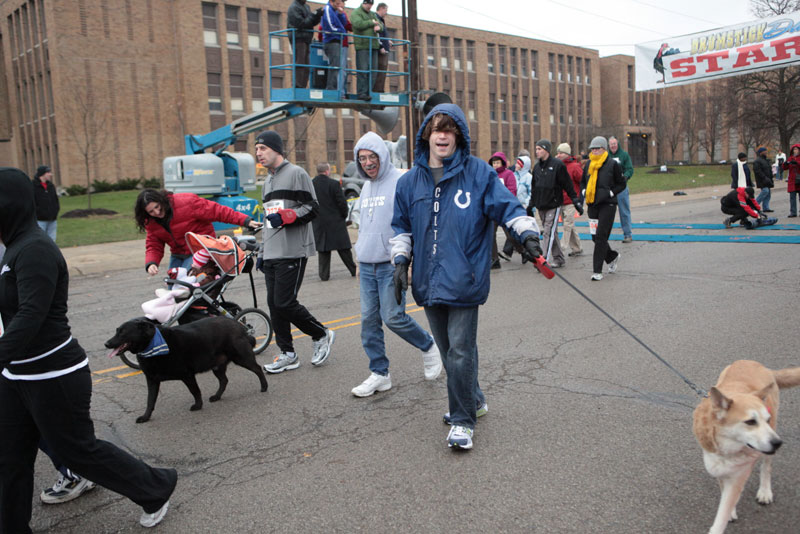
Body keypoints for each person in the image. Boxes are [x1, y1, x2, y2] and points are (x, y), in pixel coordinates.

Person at [0, 168, 178, 531]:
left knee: (76, 451)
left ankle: (155, 488)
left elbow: (31, 316)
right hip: (15, 374)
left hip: (54, 375)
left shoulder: (34, 249)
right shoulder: (13, 247)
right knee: (10, 458)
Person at [390, 104, 542, 450]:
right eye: (436, 129)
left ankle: (462, 421)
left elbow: (508, 207)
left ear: (458, 136)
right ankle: (473, 399)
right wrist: (400, 261)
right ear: (426, 135)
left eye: (450, 130)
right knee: (448, 351)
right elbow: (401, 226)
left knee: (459, 351)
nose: (442, 135)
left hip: (465, 279)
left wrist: (526, 234)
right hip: (428, 281)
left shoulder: (478, 174)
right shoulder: (410, 182)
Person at [350, 131, 442, 398]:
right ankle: (380, 374)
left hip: (392, 264)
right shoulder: (366, 186)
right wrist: (359, 259)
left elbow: (414, 223)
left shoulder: (402, 180)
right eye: (362, 158)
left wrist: (409, 261)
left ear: (382, 156)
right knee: (368, 322)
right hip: (367, 265)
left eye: (371, 157)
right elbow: (365, 226)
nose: (367, 163)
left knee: (393, 317)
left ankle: (427, 345)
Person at [254, 130, 336, 374]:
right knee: (274, 304)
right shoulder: (267, 182)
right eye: (256, 149)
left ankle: (321, 333)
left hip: (293, 251)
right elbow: (269, 220)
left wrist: (287, 216)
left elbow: (312, 208)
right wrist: (261, 251)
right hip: (272, 253)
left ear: (277, 149)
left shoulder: (297, 173)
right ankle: (288, 353)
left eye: (263, 148)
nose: (258, 153)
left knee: (285, 302)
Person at [135, 189, 261, 276]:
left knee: (189, 286)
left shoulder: (187, 202)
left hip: (200, 250)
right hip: (178, 254)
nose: (157, 213)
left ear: (162, 200)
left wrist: (245, 221)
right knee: (173, 288)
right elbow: (154, 244)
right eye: (151, 211)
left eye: (158, 207)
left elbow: (218, 211)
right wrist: (151, 263)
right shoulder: (150, 221)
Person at [530, 139, 583, 269]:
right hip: (541, 205)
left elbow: (567, 184)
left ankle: (543, 260)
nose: (537, 152)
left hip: (554, 204)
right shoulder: (536, 167)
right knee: (551, 232)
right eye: (536, 149)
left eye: (539, 149)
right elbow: (534, 187)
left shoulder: (558, 165)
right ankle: (559, 258)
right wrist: (531, 204)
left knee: (547, 232)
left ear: (547, 150)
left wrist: (576, 201)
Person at [580, 136, 626, 281]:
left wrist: (611, 193)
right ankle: (612, 257)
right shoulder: (588, 165)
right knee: (595, 237)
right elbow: (582, 182)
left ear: (604, 149)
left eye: (597, 148)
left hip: (608, 204)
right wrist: (583, 191)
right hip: (592, 204)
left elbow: (621, 183)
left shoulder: (613, 164)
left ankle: (597, 271)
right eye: (592, 149)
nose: (594, 151)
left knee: (601, 236)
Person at [311, 162, 357, 280]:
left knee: (323, 250)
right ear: (327, 171)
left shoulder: (312, 185)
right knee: (344, 250)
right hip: (335, 221)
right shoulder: (334, 184)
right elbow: (341, 202)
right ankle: (353, 270)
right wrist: (344, 216)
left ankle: (324, 275)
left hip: (320, 222)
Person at [488, 152, 518, 268]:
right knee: (491, 235)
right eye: (494, 163)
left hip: (505, 209)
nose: (495, 165)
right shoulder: (489, 174)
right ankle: (495, 259)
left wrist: (504, 201)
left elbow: (512, 190)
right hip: (492, 209)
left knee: (510, 235)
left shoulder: (508, 174)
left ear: (503, 163)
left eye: (497, 162)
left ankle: (523, 251)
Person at [500, 155, 532, 262]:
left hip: (524, 207)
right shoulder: (513, 175)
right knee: (513, 228)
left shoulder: (528, 177)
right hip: (514, 205)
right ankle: (514, 251)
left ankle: (523, 251)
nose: (516, 165)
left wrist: (527, 204)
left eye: (519, 164)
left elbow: (530, 192)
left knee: (521, 230)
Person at [288, 0, 324, 89]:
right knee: (300, 62)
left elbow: (310, 22)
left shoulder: (306, 7)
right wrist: (314, 15)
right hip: (298, 38)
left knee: (306, 65)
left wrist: (317, 16)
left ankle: (303, 85)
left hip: (307, 38)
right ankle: (297, 85)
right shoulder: (294, 7)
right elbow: (301, 23)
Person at [555, 143, 583, 257]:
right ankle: (577, 248)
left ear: (567, 154)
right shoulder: (558, 166)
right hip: (561, 200)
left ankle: (562, 247)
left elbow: (582, 180)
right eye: (558, 153)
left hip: (571, 201)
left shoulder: (575, 167)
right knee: (570, 225)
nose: (558, 155)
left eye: (561, 153)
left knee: (567, 224)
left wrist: (579, 197)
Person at [351, 0, 382, 100]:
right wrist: (371, 23)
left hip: (373, 45)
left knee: (373, 71)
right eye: (368, 4)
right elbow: (357, 24)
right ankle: (362, 93)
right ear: (364, 3)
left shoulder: (373, 14)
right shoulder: (356, 12)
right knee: (363, 70)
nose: (370, 6)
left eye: (371, 4)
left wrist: (379, 27)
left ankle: (369, 92)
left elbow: (381, 24)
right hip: (362, 46)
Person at [608, 136, 634, 243]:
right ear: (608, 146)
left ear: (617, 144)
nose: (613, 146)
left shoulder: (624, 155)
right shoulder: (606, 156)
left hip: (622, 188)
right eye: (611, 144)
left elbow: (630, 169)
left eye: (614, 144)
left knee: (624, 212)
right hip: (610, 188)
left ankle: (627, 234)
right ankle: (605, 235)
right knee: (607, 213)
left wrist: (625, 177)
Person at [322, 0, 348, 92]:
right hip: (331, 41)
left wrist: (341, 14)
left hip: (337, 41)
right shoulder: (328, 9)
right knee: (334, 66)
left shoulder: (334, 10)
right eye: (337, 3)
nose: (339, 4)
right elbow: (330, 26)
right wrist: (341, 32)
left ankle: (333, 88)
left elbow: (344, 23)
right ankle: (331, 88)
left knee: (336, 66)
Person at [32, 165, 59, 242]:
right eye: (48, 172)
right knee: (41, 240)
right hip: (40, 220)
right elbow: (31, 202)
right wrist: (38, 213)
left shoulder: (50, 186)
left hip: (52, 219)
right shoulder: (33, 186)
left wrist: (55, 211)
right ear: (42, 174)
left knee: (52, 241)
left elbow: (55, 200)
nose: (51, 174)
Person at [372, 2, 390, 94]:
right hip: (381, 50)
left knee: (382, 72)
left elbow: (382, 34)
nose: (386, 12)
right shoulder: (376, 19)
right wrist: (381, 46)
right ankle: (378, 90)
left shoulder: (381, 20)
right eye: (386, 10)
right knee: (380, 71)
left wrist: (388, 41)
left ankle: (380, 89)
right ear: (381, 9)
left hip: (385, 48)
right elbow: (377, 34)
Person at [753, 147, 774, 213]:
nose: (766, 152)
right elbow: (757, 171)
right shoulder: (757, 161)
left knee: (768, 194)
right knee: (765, 191)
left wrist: (771, 177)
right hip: (762, 180)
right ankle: (754, 205)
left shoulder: (766, 160)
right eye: (764, 151)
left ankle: (766, 207)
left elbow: (769, 170)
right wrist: (764, 177)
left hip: (768, 179)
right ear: (760, 152)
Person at [783, 144, 800, 218]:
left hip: (799, 180)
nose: (795, 151)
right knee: (792, 197)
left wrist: (797, 163)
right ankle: (793, 212)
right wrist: (785, 164)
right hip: (792, 181)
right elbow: (784, 168)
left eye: (796, 149)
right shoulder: (790, 158)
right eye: (794, 149)